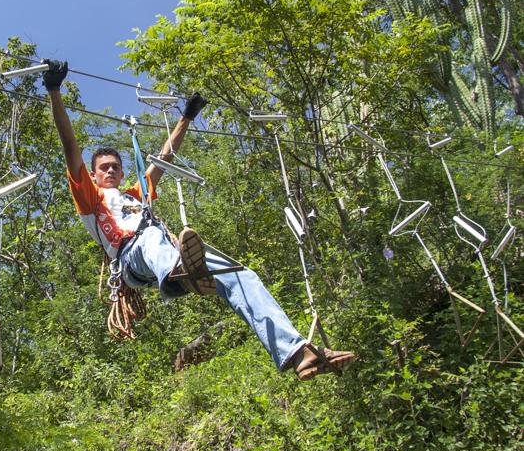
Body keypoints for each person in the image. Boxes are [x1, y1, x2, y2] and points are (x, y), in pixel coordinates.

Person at [43, 59, 355, 380]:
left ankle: (297, 352)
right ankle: (181, 272)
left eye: (115, 166)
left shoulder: (136, 195)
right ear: (93, 175)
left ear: (122, 173)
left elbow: (163, 158)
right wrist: (54, 89)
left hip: (169, 253)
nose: (109, 170)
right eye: (103, 167)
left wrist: (187, 116)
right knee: (149, 236)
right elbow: (70, 147)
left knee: (242, 276)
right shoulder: (90, 199)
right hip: (134, 259)